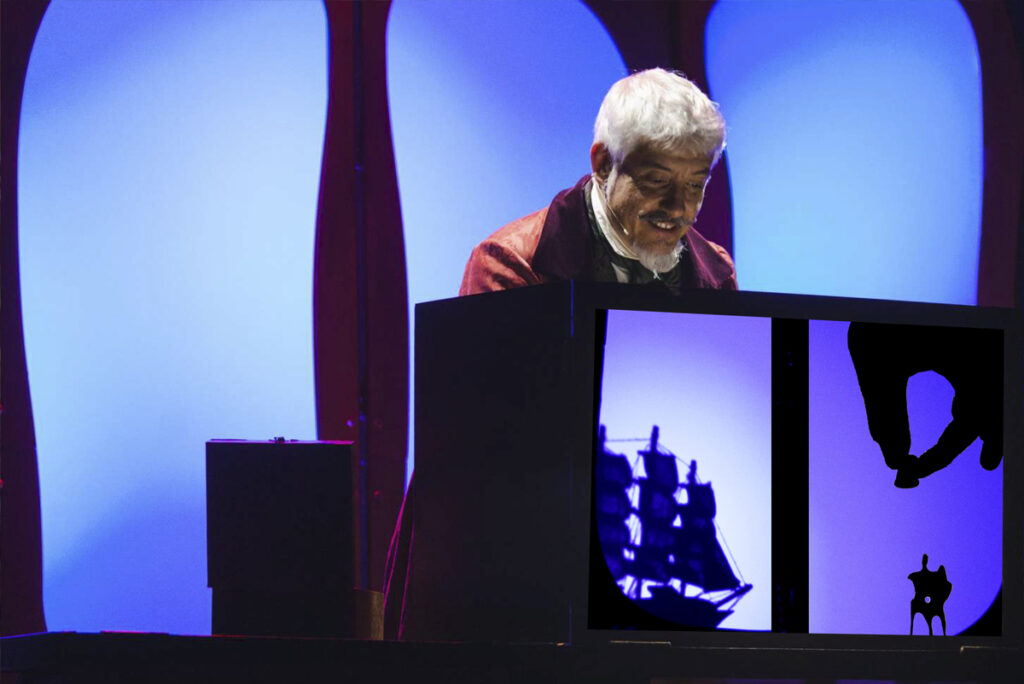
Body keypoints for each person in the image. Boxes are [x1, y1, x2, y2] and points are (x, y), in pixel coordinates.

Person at [459, 68, 737, 296]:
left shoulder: (719, 274)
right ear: (603, 164)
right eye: (657, 180)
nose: (677, 208)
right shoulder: (510, 264)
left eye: (694, 185)